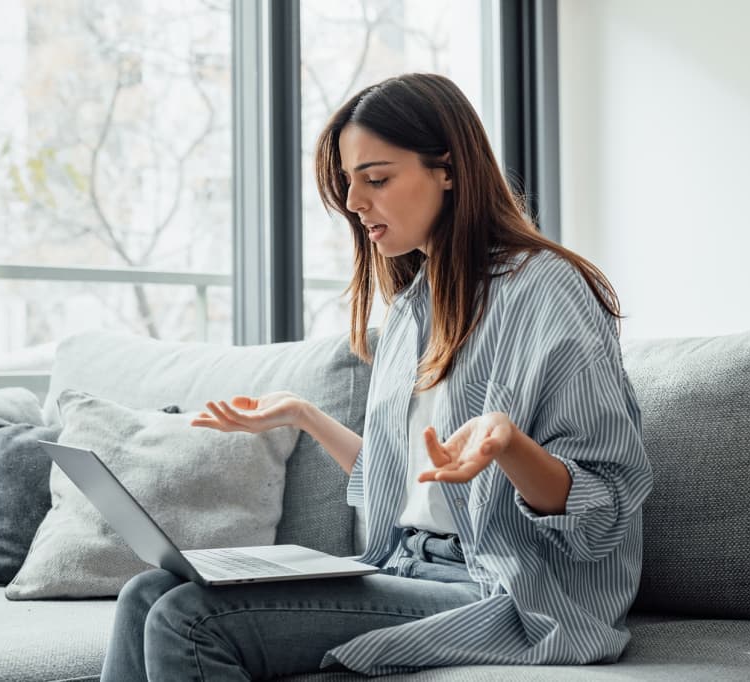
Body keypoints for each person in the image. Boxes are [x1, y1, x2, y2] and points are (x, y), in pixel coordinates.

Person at [100, 72, 653, 681]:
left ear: (448, 169)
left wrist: (509, 444)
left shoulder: (546, 291)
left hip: (509, 591)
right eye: (348, 183)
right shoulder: (416, 307)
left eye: (377, 178)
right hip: (404, 568)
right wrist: (304, 416)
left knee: (190, 617)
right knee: (146, 594)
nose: (355, 202)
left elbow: (607, 509)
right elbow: (411, 484)